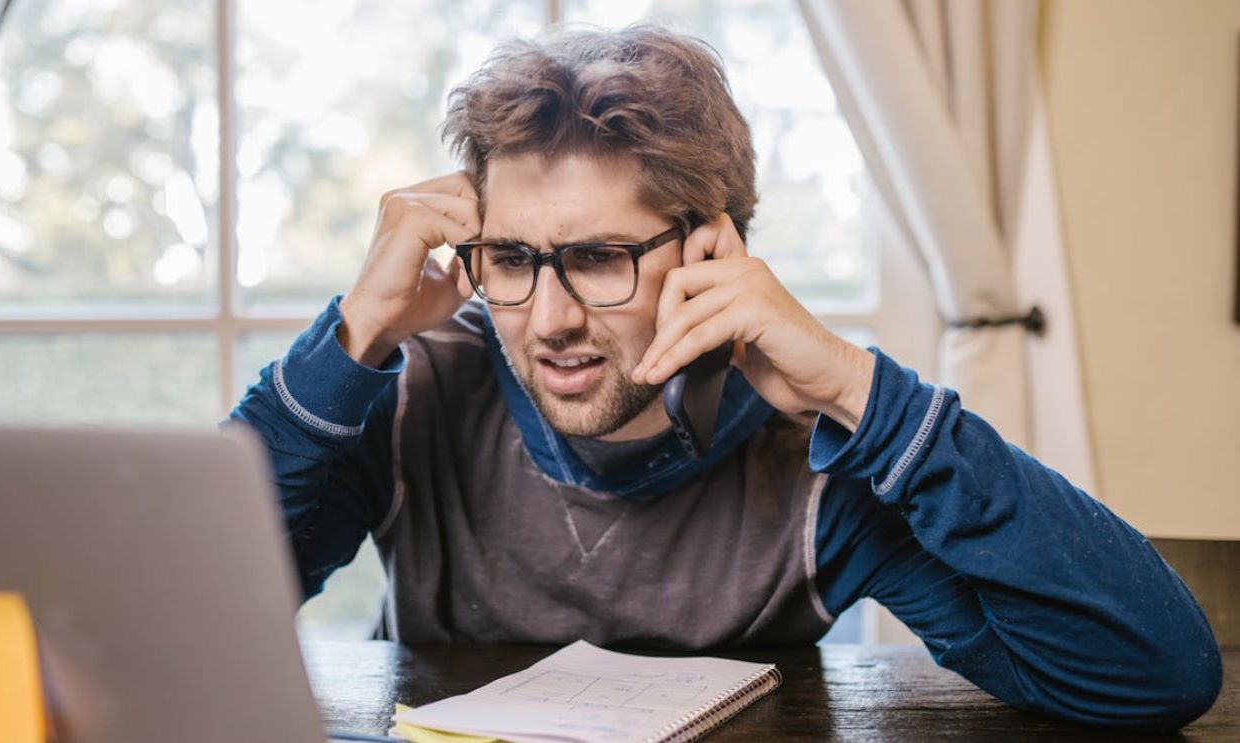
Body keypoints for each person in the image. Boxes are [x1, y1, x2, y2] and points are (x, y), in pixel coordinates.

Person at [227, 24, 1221, 731]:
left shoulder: (816, 461)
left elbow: (1149, 676)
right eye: (513, 258)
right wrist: (349, 338)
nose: (551, 317)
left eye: (602, 255)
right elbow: (189, 623)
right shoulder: (411, 397)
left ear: (711, 249)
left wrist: (856, 391)